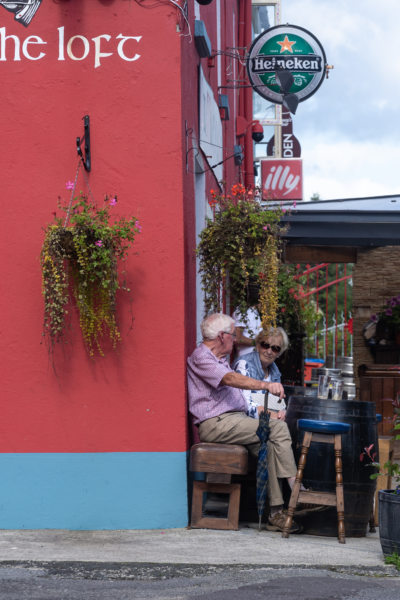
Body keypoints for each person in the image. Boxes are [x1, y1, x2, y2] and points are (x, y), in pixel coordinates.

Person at [187, 312, 302, 533]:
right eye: (233, 334)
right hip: (217, 423)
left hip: (233, 421)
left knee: (266, 446)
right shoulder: (202, 357)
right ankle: (297, 491)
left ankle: (275, 513)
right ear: (222, 336)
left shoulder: (220, 359)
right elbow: (230, 379)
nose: (237, 339)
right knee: (276, 427)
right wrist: (265, 385)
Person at [233, 327, 289, 420]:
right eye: (265, 345)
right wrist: (272, 415)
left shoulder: (275, 371)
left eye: (275, 348)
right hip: (243, 421)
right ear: (258, 345)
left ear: (279, 353)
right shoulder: (244, 364)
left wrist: (281, 412)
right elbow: (244, 404)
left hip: (266, 423)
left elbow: (277, 404)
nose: (269, 351)